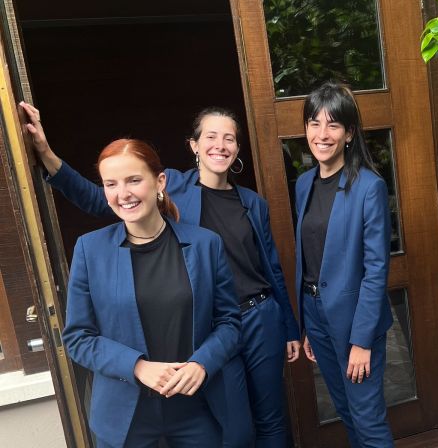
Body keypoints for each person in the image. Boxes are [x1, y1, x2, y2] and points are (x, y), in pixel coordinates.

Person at [21, 102, 300, 447]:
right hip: (205, 323)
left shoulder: (251, 202)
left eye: (229, 139)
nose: (220, 145)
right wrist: (46, 154)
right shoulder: (171, 186)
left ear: (238, 149)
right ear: (194, 145)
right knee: (235, 425)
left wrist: (289, 326)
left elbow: (269, 267)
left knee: (270, 415)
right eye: (211, 136)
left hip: (254, 315)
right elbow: (103, 198)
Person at [61, 139, 240, 447]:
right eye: (110, 184)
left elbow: (229, 323)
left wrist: (203, 363)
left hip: (197, 412)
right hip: (125, 420)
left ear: (160, 181)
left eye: (133, 180)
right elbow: (78, 338)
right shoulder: (90, 250)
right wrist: (138, 367)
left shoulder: (205, 244)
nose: (123, 194)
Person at [295, 81, 394, 447]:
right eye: (314, 123)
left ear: (349, 133)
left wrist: (362, 340)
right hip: (316, 314)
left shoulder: (369, 187)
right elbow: (312, 258)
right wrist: (307, 324)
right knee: (346, 411)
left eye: (333, 125)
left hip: (355, 320)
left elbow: (376, 269)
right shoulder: (303, 184)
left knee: (367, 418)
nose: (322, 134)